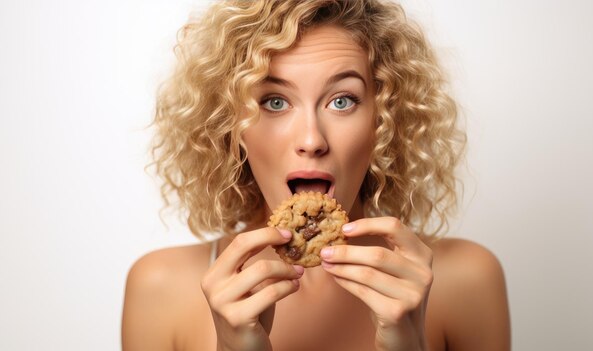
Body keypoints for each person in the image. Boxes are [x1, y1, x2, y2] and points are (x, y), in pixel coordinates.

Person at [122, 0, 510, 350]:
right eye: (275, 101)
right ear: (230, 125)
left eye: (342, 101)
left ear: (385, 120)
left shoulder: (467, 281)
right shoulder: (160, 289)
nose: (311, 139)